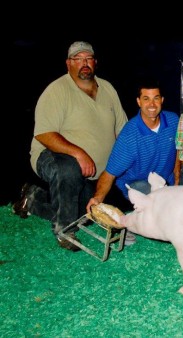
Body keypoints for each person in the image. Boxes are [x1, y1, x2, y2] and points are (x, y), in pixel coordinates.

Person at [12, 41, 128, 251]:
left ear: (95, 62)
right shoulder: (56, 90)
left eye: (88, 58)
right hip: (51, 157)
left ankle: (33, 199)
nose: (84, 63)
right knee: (68, 168)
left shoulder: (108, 88)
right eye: (78, 59)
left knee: (85, 215)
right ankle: (64, 230)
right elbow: (43, 134)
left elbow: (123, 130)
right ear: (68, 63)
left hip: (93, 173)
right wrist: (79, 153)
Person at [86, 79, 179, 245]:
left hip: (166, 181)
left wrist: (178, 183)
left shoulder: (173, 121)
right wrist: (97, 198)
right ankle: (128, 223)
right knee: (158, 208)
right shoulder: (129, 135)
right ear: (138, 101)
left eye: (156, 98)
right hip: (138, 184)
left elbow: (178, 152)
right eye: (146, 98)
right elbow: (109, 174)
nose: (152, 104)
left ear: (162, 100)